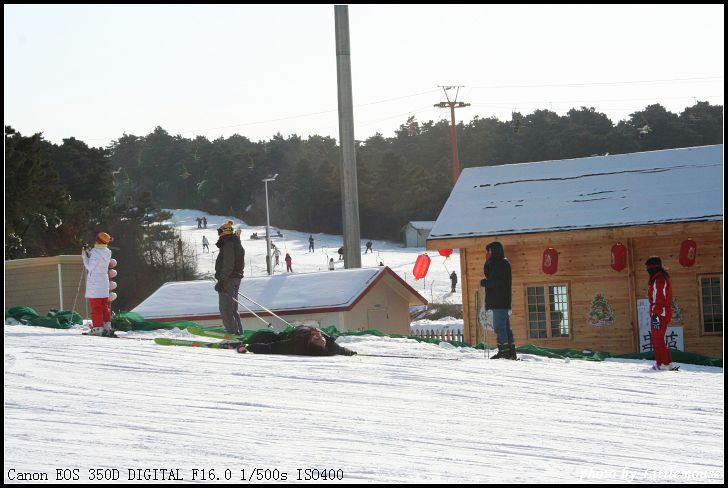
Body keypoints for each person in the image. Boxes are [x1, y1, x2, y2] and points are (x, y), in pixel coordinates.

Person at [480, 241, 516, 359]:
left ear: (495, 251)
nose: (489, 254)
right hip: (499, 300)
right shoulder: (498, 263)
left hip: (500, 300)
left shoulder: (503, 264)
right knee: (505, 327)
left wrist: (486, 283)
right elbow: (488, 273)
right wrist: (488, 262)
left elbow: (499, 282)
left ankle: (504, 351)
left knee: (499, 327)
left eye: (490, 251)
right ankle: (510, 352)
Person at [214, 220, 245, 335]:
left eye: (219, 231)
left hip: (228, 280)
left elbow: (228, 264)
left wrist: (222, 281)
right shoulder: (235, 243)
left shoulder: (228, 243)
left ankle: (232, 333)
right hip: (235, 278)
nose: (219, 234)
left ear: (225, 232)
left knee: (226, 308)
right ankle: (237, 332)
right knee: (232, 308)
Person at [82, 232, 115, 337]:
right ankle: (107, 327)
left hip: (95, 282)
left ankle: (97, 328)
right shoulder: (107, 252)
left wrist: (84, 256)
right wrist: (89, 253)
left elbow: (90, 267)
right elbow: (98, 261)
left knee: (96, 307)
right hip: (104, 282)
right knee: (104, 306)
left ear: (98, 240)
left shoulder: (95, 252)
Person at [246, 326, 357, 356]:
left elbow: (271, 347)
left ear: (310, 342)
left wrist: (248, 347)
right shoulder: (331, 346)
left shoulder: (297, 344)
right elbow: (342, 350)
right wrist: (350, 352)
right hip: (304, 328)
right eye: (321, 338)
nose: (319, 334)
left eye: (317, 338)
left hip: (294, 334)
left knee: (265, 336)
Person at [646, 256, 674, 370]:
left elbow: (659, 298)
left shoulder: (659, 279)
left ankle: (664, 363)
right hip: (660, 312)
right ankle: (663, 363)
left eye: (648, 268)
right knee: (658, 338)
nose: (647, 270)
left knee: (658, 338)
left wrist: (655, 315)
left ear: (653, 268)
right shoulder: (659, 278)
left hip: (659, 313)